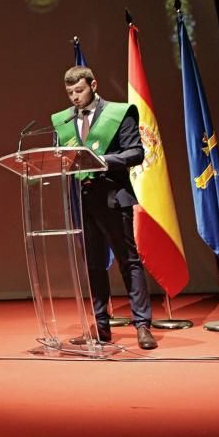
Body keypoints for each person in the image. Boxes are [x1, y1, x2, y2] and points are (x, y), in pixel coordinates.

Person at [52, 65, 157, 350]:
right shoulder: (64, 121)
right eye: (70, 92)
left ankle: (142, 326)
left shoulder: (119, 112)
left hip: (114, 195)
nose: (75, 97)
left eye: (80, 90)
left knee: (129, 262)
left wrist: (103, 160)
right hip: (84, 199)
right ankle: (101, 326)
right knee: (95, 265)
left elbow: (136, 152)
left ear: (93, 84)